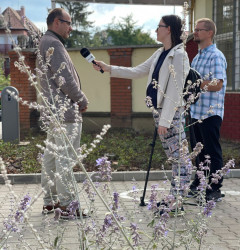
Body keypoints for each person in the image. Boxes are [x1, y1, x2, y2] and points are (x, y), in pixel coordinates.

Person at [93, 15, 192, 212]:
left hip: (169, 114)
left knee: (180, 158)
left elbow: (175, 89)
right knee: (174, 157)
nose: (156, 30)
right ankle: (176, 197)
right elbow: (137, 71)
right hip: (160, 112)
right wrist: (108, 68)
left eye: (159, 26)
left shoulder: (179, 55)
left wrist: (165, 120)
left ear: (169, 29)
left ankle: (177, 199)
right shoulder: (160, 53)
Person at [38, 8, 89, 218]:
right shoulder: (53, 43)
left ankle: (51, 202)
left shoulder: (45, 41)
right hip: (64, 112)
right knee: (65, 158)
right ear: (57, 22)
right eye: (68, 23)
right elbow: (64, 78)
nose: (71, 27)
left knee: (52, 157)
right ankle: (67, 205)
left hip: (54, 112)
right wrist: (81, 99)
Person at [188, 18, 227, 202]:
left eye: (198, 30)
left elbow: (217, 84)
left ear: (209, 33)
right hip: (196, 112)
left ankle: (215, 188)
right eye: (195, 30)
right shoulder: (197, 56)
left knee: (212, 151)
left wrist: (196, 85)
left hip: (210, 112)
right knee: (199, 152)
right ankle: (199, 183)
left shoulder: (215, 55)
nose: (195, 32)